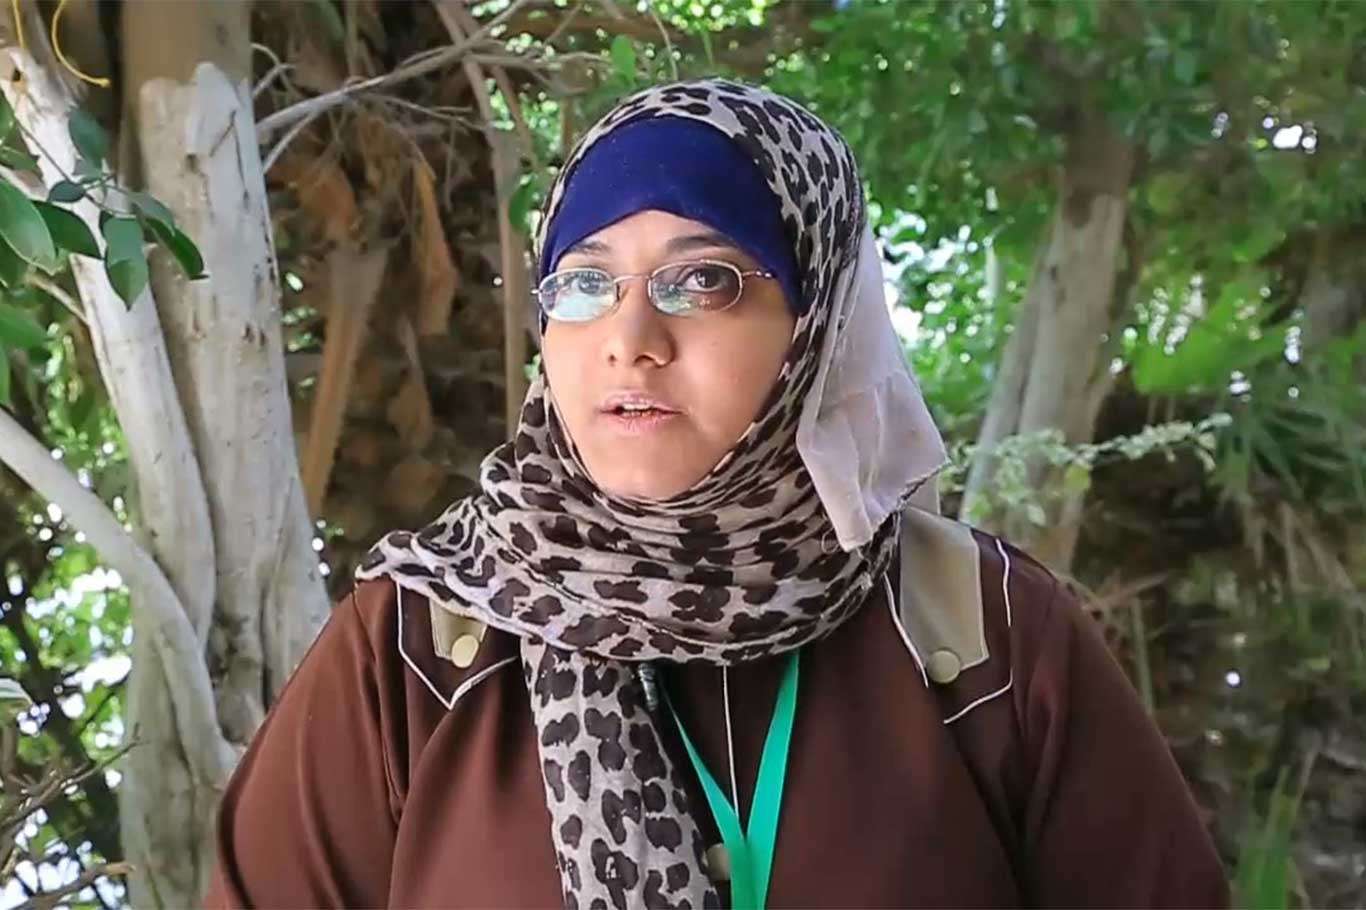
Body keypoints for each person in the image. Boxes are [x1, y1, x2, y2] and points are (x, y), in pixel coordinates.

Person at [206, 79, 1229, 909]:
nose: (630, 340)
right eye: (584, 282)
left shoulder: (984, 634)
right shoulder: (419, 643)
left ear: (817, 325)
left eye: (702, 281)